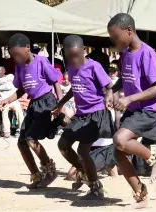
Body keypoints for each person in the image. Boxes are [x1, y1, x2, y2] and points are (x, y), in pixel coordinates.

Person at [107, 13, 156, 207]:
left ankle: (155, 157)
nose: (114, 41)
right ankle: (141, 193)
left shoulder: (147, 53)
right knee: (118, 153)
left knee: (119, 139)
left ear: (129, 31)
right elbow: (126, 78)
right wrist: (113, 91)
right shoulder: (125, 55)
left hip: (150, 109)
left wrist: (129, 98)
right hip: (135, 109)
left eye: (116, 37)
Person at [53, 35, 114, 200]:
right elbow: (75, 87)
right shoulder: (71, 68)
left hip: (96, 115)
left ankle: (95, 188)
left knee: (82, 150)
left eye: (76, 56)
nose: (74, 60)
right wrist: (61, 103)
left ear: (83, 51)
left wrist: (108, 97)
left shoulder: (94, 67)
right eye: (70, 57)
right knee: (63, 144)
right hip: (80, 115)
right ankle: (83, 171)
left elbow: (109, 86)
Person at [6, 33, 62, 189]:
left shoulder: (42, 61)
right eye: (12, 55)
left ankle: (50, 171)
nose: (15, 58)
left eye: (17, 54)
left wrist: (60, 104)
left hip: (46, 102)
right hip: (33, 105)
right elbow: (21, 89)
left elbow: (55, 82)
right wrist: (7, 100)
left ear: (28, 48)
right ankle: (36, 176)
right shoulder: (19, 67)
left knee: (31, 139)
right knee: (22, 142)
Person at [0, 66, 24, 138]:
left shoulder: (10, 77)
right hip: (2, 101)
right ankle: (6, 132)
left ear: (4, 71)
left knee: (18, 109)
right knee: (4, 111)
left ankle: (22, 129)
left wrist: (3, 85)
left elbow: (18, 85)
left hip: (12, 100)